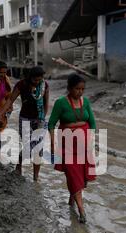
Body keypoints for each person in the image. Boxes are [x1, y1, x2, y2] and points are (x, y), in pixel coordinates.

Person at [48, 73, 96, 223]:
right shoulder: (60, 103)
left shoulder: (86, 102)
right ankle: (81, 210)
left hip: (84, 144)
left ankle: (71, 201)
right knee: (73, 173)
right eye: (77, 89)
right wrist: (52, 142)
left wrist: (92, 141)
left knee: (79, 176)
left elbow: (93, 123)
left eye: (82, 89)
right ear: (69, 88)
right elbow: (51, 123)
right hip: (67, 144)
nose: (80, 92)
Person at [0, 66, 49, 181]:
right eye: (35, 80)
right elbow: (10, 100)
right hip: (25, 119)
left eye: (40, 80)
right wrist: (0, 114)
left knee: (38, 148)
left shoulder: (45, 86)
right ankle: (19, 166)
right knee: (27, 146)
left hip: (39, 120)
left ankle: (36, 177)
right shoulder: (22, 85)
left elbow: (46, 104)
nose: (37, 82)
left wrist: (42, 119)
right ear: (30, 78)